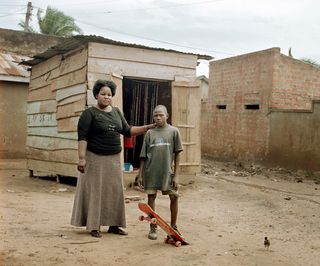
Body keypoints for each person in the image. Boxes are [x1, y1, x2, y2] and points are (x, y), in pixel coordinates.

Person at [71, 79, 154, 238]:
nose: (106, 97)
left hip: (114, 158)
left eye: (109, 94)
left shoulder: (116, 112)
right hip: (94, 157)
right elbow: (82, 137)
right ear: (96, 95)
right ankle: (94, 225)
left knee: (115, 191)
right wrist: (82, 158)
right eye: (103, 94)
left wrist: (147, 127)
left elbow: (127, 131)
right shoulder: (89, 114)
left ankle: (114, 225)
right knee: (96, 191)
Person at [137, 105, 183, 240]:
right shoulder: (150, 133)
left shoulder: (174, 131)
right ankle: (153, 227)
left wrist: (177, 175)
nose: (158, 117)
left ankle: (173, 227)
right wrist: (140, 175)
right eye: (156, 115)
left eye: (161, 115)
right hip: (151, 172)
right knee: (151, 198)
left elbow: (178, 154)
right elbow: (143, 156)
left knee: (174, 197)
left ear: (167, 116)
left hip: (167, 172)